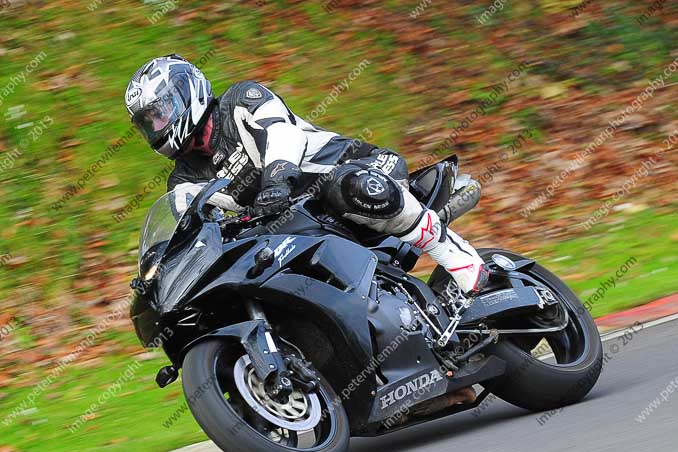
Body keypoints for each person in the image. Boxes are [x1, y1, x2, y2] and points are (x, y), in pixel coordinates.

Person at [125, 54, 488, 295]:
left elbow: (284, 134)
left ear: (187, 92)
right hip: (297, 223)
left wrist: (278, 178)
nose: (156, 128)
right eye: (147, 123)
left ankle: (456, 254)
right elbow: (195, 227)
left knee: (345, 186)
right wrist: (162, 268)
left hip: (360, 170)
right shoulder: (183, 181)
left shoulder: (241, 99)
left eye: (158, 113)